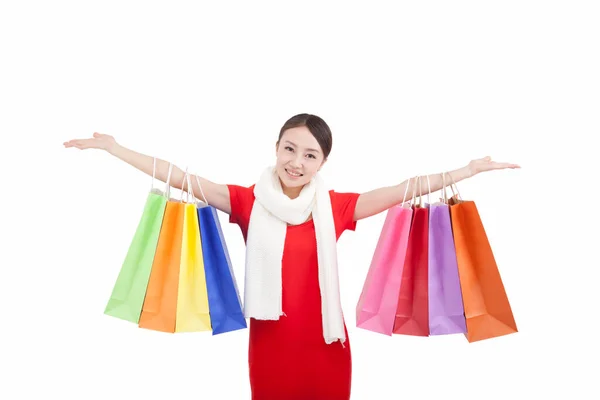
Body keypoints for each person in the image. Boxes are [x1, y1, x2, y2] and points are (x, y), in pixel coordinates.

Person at [63, 113, 519, 400]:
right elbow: (182, 179)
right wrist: (115, 148)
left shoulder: (336, 206)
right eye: (289, 149)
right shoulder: (247, 201)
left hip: (326, 346)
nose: (296, 161)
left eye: (309, 154)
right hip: (271, 344)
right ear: (276, 148)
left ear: (322, 163)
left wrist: (468, 171)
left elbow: (404, 190)